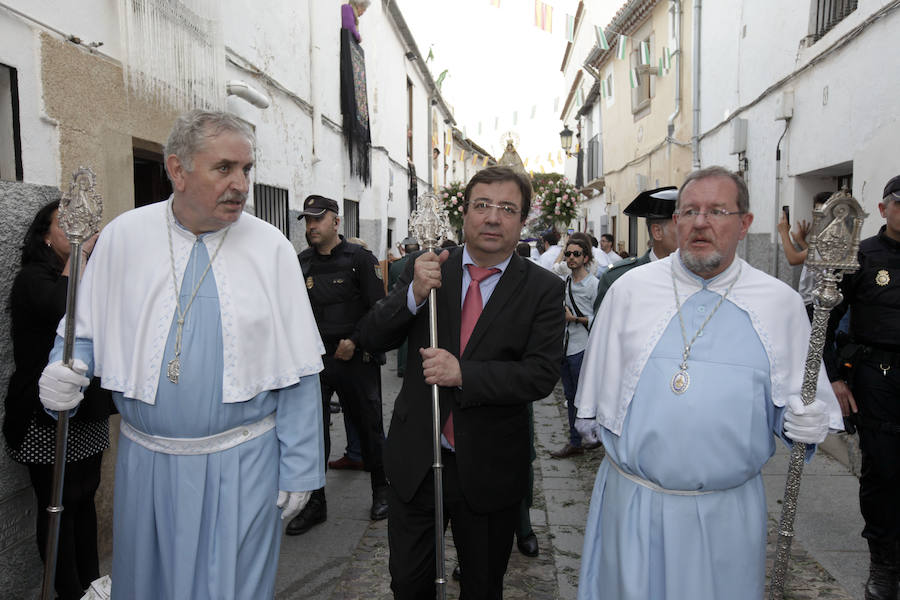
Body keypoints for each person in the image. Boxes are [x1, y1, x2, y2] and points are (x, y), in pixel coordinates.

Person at [37, 110, 326, 600]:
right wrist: (61, 375)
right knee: (148, 585)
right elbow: (82, 333)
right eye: (224, 168)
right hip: (147, 462)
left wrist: (300, 465)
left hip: (244, 463)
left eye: (247, 169)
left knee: (229, 588)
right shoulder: (125, 238)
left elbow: (296, 366)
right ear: (177, 170)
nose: (240, 184)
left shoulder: (271, 247)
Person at [573, 166, 842, 599]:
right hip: (635, 507)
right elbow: (595, 400)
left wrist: (806, 423)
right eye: (690, 211)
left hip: (727, 516)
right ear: (676, 222)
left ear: (744, 224)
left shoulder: (780, 304)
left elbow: (797, 409)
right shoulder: (629, 292)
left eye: (717, 211)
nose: (701, 222)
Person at [360, 166, 564, 599]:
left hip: (490, 468)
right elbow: (372, 336)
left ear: (522, 221)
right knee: (409, 584)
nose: (493, 218)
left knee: (482, 586)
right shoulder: (428, 268)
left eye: (507, 209)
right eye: (482, 206)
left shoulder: (543, 289)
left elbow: (541, 374)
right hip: (417, 458)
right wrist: (413, 295)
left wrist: (463, 374)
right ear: (464, 214)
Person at [2, 201, 111, 600]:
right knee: (57, 507)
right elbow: (60, 309)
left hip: (86, 411)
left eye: (84, 226)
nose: (79, 231)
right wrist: (81, 255)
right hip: (43, 415)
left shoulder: (89, 277)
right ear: (46, 236)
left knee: (83, 503)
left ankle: (92, 586)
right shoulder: (34, 278)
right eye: (67, 226)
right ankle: (67, 591)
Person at [291, 195, 389, 534]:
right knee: (313, 433)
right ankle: (315, 502)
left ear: (336, 222)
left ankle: (382, 491)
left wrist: (356, 341)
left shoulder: (359, 259)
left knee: (369, 426)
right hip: (315, 360)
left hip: (354, 357)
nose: (312, 226)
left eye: (318, 219)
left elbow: (379, 308)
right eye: (307, 220)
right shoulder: (301, 263)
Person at [824, 175, 900, 600]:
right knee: (883, 472)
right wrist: (835, 378)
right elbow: (826, 320)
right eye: (898, 203)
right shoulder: (861, 256)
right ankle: (884, 566)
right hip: (877, 378)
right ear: (884, 207)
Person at [593, 187, 679, 312]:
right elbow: (603, 329)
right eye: (682, 225)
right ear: (657, 232)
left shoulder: (701, 276)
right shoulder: (617, 278)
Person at [551, 235, 598, 459]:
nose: (570, 257)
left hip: (583, 347)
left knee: (585, 397)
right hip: (566, 346)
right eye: (568, 253)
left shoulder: (594, 285)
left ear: (585, 257)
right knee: (570, 396)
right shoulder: (566, 282)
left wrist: (575, 319)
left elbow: (600, 319)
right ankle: (575, 440)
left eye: (576, 254)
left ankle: (591, 435)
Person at [778, 191, 833, 320]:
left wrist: (783, 231)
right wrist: (801, 242)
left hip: (816, 305)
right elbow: (817, 259)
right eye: (817, 212)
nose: (820, 217)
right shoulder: (824, 238)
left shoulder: (830, 239)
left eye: (824, 213)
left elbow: (793, 259)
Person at [389, 237, 421, 378]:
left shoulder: (395, 266)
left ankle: (402, 367)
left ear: (404, 249)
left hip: (400, 304)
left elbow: (390, 288)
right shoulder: (423, 263)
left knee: (404, 338)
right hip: (421, 303)